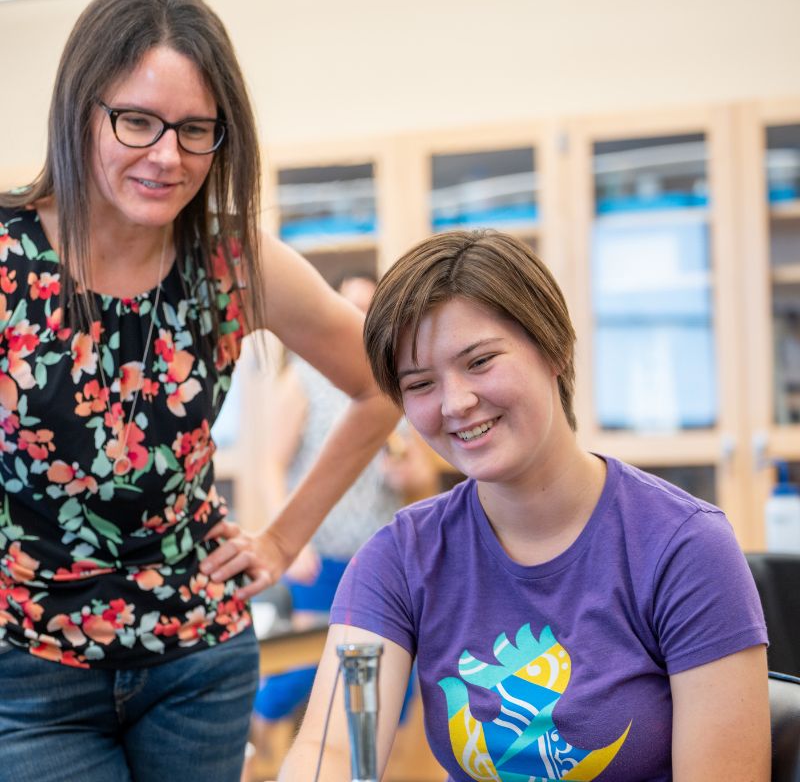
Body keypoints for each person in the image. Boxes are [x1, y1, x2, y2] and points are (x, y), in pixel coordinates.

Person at [0, 0, 398, 781]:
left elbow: (382, 385)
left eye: (196, 130)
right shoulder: (9, 261)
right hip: (32, 676)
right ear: (82, 109)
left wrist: (283, 538)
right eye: (138, 121)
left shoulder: (234, 261)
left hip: (198, 664)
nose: (168, 157)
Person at [279, 229, 771, 782]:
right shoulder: (397, 560)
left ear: (554, 346)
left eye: (481, 361)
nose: (456, 402)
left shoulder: (684, 548)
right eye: (420, 383)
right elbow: (336, 748)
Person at [251, 275, 433, 738]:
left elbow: (425, 479)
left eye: (368, 309)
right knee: (312, 662)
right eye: (348, 307)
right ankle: (251, 726)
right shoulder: (304, 380)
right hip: (323, 555)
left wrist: (408, 475)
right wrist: (290, 541)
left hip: (381, 557)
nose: (358, 319)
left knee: (394, 679)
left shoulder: (400, 384)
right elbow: (270, 465)